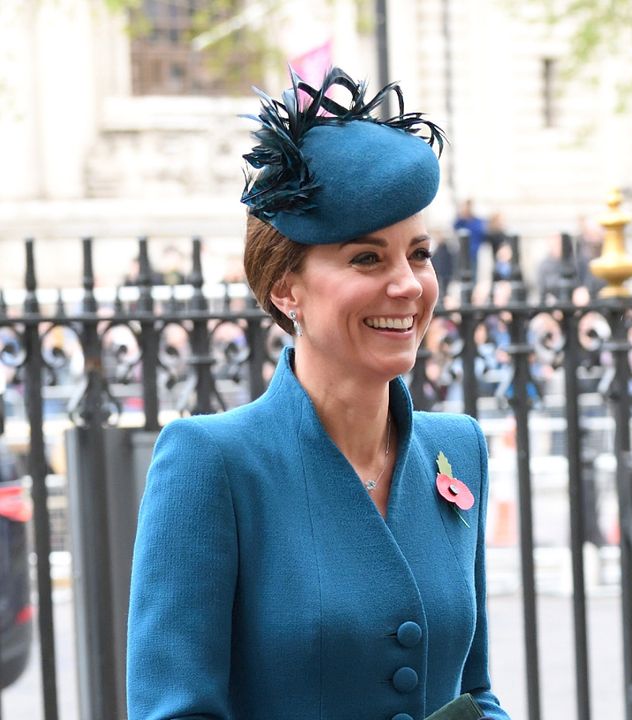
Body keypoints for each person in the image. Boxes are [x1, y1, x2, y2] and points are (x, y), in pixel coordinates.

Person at [127, 68, 508, 720]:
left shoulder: (458, 448)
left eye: (417, 254)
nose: (409, 285)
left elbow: (471, 694)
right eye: (367, 259)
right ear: (286, 289)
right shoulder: (209, 463)